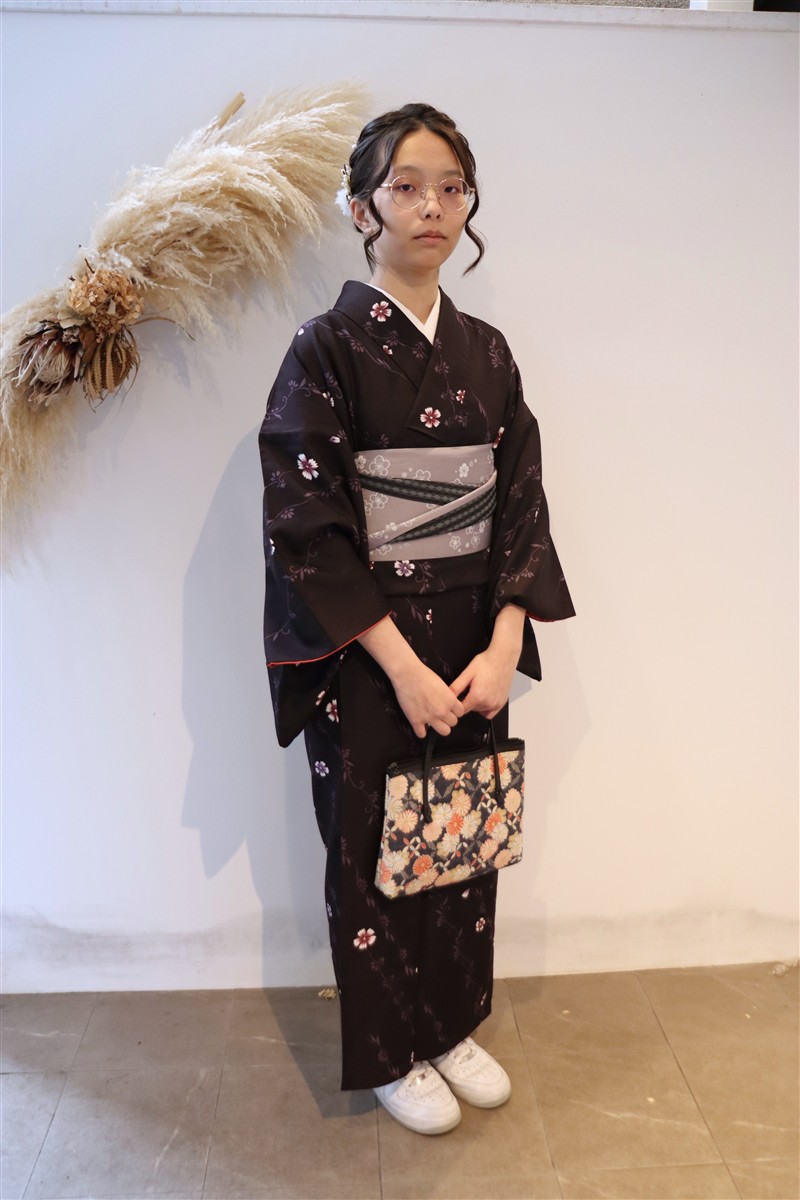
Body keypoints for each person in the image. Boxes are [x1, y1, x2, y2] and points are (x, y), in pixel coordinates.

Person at [258, 103, 575, 1135]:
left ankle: (449, 1026)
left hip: (472, 641)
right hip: (370, 652)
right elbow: (308, 523)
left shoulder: (488, 352)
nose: (431, 205)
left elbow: (519, 498)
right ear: (362, 209)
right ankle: (392, 1050)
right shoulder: (325, 350)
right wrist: (398, 666)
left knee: (461, 832)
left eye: (450, 186)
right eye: (405, 186)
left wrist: (504, 641)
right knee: (373, 846)